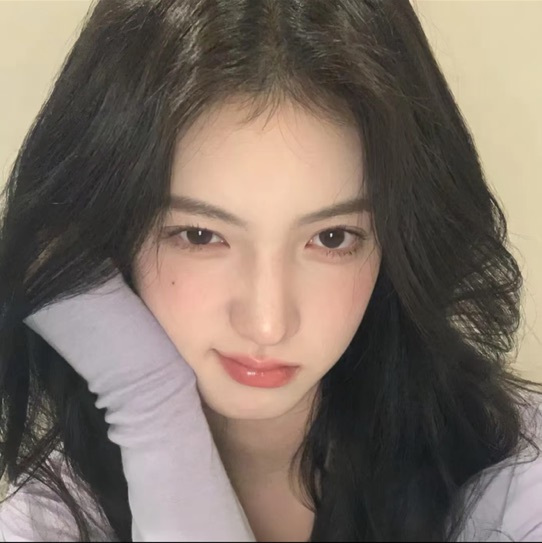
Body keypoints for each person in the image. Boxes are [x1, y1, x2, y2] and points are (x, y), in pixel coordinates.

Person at [0, 0, 541, 541]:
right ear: (109, 233)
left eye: (332, 238)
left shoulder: (515, 485)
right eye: (200, 235)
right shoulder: (49, 522)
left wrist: (147, 401)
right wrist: (152, 408)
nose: (267, 323)